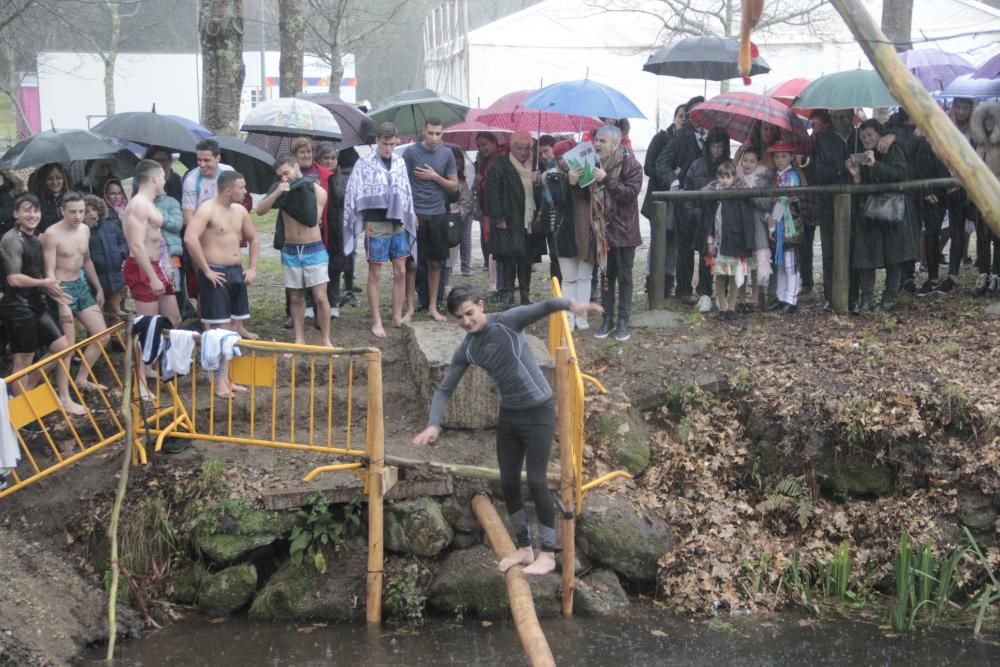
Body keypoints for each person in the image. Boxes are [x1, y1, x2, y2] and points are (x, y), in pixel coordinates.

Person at [412, 285, 603, 575]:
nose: (466, 321)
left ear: (481, 305)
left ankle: (548, 553)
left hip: (539, 411)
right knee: (509, 482)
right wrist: (433, 424)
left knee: (537, 481)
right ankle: (525, 548)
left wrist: (571, 305)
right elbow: (445, 389)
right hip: (510, 416)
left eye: (469, 313)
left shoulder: (509, 321)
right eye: (460, 318)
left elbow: (545, 305)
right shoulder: (468, 348)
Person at [0, 194, 81, 415]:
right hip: (16, 306)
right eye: (27, 210)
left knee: (63, 348)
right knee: (23, 358)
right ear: (16, 214)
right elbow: (13, 279)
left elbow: (36, 276)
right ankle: (24, 412)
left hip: (35, 303)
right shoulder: (11, 239)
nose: (32, 215)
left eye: (36, 211)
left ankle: (22, 392)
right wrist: (43, 282)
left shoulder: (35, 239)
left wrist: (55, 293)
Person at [185, 170, 261, 396]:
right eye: (242, 188)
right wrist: (206, 270)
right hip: (216, 273)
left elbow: (254, 238)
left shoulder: (239, 211)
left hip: (236, 272)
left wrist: (253, 268)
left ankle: (229, 378)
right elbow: (190, 238)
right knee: (220, 330)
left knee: (236, 327)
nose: (245, 192)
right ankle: (219, 381)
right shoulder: (207, 209)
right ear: (228, 190)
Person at [342, 122, 417, 338]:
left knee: (401, 270)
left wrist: (410, 214)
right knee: (375, 272)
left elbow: (406, 191)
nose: (388, 149)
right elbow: (354, 191)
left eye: (393, 144)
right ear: (377, 141)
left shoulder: (400, 162)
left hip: (398, 222)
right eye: (385, 144)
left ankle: (396, 315)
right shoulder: (364, 163)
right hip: (375, 222)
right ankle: (376, 320)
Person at [256, 154, 332, 347]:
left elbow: (312, 219)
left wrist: (296, 195)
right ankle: (299, 339)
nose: (284, 178)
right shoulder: (281, 191)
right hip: (291, 249)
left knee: (320, 297)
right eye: (280, 176)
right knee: (296, 297)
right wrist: (276, 194)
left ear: (296, 167)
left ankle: (326, 339)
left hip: (313, 248)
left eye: (286, 173)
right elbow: (260, 210)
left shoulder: (318, 191)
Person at [123, 158, 182, 398]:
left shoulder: (150, 203)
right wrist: (152, 277)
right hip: (142, 267)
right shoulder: (138, 205)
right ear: (155, 178)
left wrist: (161, 272)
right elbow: (136, 244)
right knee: (145, 327)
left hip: (158, 265)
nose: (165, 181)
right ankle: (137, 385)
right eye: (163, 177)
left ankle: (149, 366)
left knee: (174, 319)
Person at [846, 119, 918, 314]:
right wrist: (856, 176)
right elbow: (862, 187)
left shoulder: (893, 150)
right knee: (866, 257)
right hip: (870, 213)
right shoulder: (862, 156)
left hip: (892, 211)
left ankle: (890, 297)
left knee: (894, 256)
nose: (867, 139)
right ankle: (866, 298)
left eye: (870, 134)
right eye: (863, 136)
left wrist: (875, 164)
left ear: (879, 133)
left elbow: (900, 174)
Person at [41, 191, 111, 390]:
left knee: (102, 335)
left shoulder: (84, 230)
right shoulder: (52, 234)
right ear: (62, 210)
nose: (78, 216)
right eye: (73, 212)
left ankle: (81, 379)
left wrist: (98, 288)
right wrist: (62, 304)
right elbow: (49, 272)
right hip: (61, 288)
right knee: (69, 347)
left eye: (81, 211)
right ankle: (64, 395)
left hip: (80, 285)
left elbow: (86, 260)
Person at [403, 117, 459, 321]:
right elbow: (403, 185)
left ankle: (433, 307)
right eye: (431, 133)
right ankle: (409, 307)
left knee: (436, 263)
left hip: (438, 214)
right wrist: (410, 212)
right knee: (412, 265)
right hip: (415, 214)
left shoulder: (447, 154)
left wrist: (435, 177)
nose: (434, 138)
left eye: (438, 134)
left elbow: (454, 186)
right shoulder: (410, 152)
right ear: (423, 132)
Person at [592, 124, 643, 341]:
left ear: (615, 144)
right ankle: (607, 318)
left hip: (624, 231)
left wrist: (606, 179)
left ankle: (623, 320)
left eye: (602, 141)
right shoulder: (594, 164)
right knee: (605, 276)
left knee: (624, 277)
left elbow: (630, 194)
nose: (597, 144)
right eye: (596, 140)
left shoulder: (631, 164)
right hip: (602, 230)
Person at [485, 131, 544, 308]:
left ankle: (525, 294)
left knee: (527, 259)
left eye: (527, 148)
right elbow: (492, 192)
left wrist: (538, 183)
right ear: (511, 146)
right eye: (519, 148)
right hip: (509, 219)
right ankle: (509, 294)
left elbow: (544, 195)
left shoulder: (536, 165)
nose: (523, 152)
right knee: (509, 259)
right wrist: (498, 217)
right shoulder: (500, 164)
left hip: (530, 219)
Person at [543, 139, 595, 330]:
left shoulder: (588, 173)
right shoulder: (553, 177)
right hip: (565, 233)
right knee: (569, 278)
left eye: (567, 157)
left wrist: (580, 182)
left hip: (586, 231)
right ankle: (568, 318)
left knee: (585, 277)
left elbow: (589, 198)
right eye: (560, 158)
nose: (564, 161)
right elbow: (558, 201)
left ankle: (581, 316)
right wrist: (569, 183)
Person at [807, 109, 856, 310]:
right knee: (829, 249)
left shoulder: (859, 137)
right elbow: (817, 172)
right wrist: (841, 166)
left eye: (844, 117)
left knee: (853, 250)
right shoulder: (823, 140)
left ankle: (853, 295)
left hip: (855, 201)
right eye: (836, 117)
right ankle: (830, 295)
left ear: (852, 116)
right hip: (829, 202)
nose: (840, 121)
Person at [683, 127, 731, 313]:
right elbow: (687, 193)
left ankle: (722, 294)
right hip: (703, 217)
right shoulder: (697, 165)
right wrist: (694, 213)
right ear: (708, 146)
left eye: (720, 147)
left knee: (725, 256)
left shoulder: (730, 165)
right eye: (713, 146)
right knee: (706, 256)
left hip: (724, 218)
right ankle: (704, 293)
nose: (716, 150)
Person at [641, 103, 687, 298]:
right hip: (659, 196)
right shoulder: (661, 138)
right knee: (658, 240)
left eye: (688, 116)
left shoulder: (689, 141)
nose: (684, 119)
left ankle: (668, 282)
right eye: (681, 115)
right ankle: (652, 281)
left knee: (674, 242)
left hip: (679, 199)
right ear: (675, 117)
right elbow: (649, 167)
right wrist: (669, 175)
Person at [706, 161, 755, 319]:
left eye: (728, 177)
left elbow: (745, 221)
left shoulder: (741, 194)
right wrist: (709, 241)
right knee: (719, 275)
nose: (724, 180)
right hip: (719, 242)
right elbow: (709, 222)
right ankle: (722, 306)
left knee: (735, 274)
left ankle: (732, 307)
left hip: (735, 241)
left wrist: (747, 243)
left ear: (734, 177)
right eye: (721, 177)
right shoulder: (713, 195)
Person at [767, 143, 807, 314]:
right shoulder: (777, 176)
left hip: (789, 223)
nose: (780, 160)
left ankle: (791, 298)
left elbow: (783, 200)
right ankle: (781, 296)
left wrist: (774, 219)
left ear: (791, 157)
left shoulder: (791, 176)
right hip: (780, 224)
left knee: (790, 262)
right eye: (777, 156)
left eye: (784, 156)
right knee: (781, 262)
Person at [735, 148, 774, 312]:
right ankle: (741, 297)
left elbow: (766, 204)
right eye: (745, 160)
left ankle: (755, 297)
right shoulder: (735, 179)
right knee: (741, 262)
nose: (748, 164)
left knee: (756, 263)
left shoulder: (762, 181)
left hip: (757, 224)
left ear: (757, 164)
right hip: (740, 225)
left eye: (752, 161)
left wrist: (750, 193)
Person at [971, 101, 1000, 296]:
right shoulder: (977, 144)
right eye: (985, 119)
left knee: (997, 236)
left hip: (998, 195)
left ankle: (996, 275)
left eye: (992, 119)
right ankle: (983, 273)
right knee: (981, 236)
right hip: (979, 195)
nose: (989, 123)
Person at [84, 195, 128, 319]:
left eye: (94, 209)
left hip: (115, 275)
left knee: (115, 312)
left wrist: (121, 254)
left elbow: (123, 242)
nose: (92, 214)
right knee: (99, 313)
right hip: (97, 278)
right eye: (87, 211)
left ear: (99, 209)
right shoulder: (84, 232)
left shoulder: (111, 226)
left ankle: (115, 336)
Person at [474, 132, 501, 273]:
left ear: (493, 142)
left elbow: (497, 184)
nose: (481, 148)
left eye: (484, 144)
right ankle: (494, 277)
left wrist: (482, 181)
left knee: (495, 244)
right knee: (489, 242)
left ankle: (498, 279)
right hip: (486, 208)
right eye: (479, 146)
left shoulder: (500, 159)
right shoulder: (483, 161)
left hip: (496, 209)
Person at [29, 162, 70, 233]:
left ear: (64, 179)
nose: (55, 182)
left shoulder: (72, 199)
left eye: (58, 178)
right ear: (44, 181)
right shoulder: (36, 202)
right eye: (50, 179)